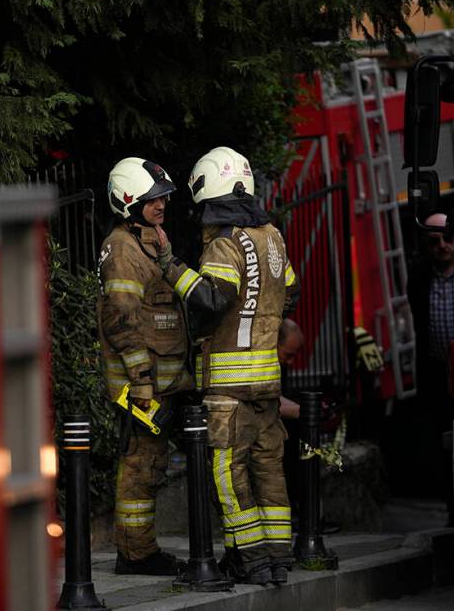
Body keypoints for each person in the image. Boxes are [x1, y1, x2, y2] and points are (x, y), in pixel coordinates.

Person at [155, 146, 299, 585]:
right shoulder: (272, 235)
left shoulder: (224, 242)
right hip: (267, 385)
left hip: (228, 389)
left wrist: (171, 266)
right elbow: (289, 290)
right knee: (269, 469)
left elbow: (214, 298)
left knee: (227, 472)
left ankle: (249, 561)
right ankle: (278, 559)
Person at [97, 157, 194, 575]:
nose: (162, 205)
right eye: (153, 199)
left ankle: (140, 551)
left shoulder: (150, 241)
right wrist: (140, 382)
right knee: (140, 469)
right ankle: (136, 556)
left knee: (151, 468)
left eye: (163, 197)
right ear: (127, 201)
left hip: (163, 383)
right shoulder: (122, 248)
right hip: (142, 388)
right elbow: (120, 320)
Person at [405, 211, 454, 521]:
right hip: (436, 370)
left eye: (447, 238)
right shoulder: (419, 276)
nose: (442, 246)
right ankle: (452, 506)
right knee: (442, 440)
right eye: (434, 241)